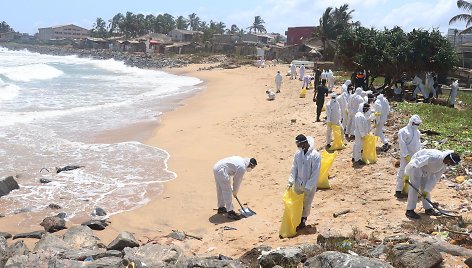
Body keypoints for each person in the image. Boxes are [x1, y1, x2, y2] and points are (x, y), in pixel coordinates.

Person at [405, 149, 461, 219]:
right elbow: (414, 163)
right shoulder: (433, 157)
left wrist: (427, 190)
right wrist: (407, 174)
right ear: (449, 159)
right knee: (414, 188)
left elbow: (435, 178)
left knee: (425, 189)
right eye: (450, 163)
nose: (449, 165)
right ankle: (410, 210)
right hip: (416, 168)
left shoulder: (444, 164)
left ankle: (428, 208)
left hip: (427, 171)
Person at [287, 134, 321, 230]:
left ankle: (303, 221)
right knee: (297, 203)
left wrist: (308, 186)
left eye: (298, 145)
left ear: (304, 143)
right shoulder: (298, 154)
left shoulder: (315, 156)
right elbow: (294, 167)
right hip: (299, 183)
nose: (298, 147)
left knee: (306, 203)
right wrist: (291, 180)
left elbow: (315, 173)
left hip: (309, 185)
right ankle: (296, 220)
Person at [395, 115, 422, 198]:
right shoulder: (403, 131)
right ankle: (398, 190)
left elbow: (418, 143)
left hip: (415, 156)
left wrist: (419, 154)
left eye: (418, 124)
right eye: (416, 124)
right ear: (412, 123)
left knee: (413, 173)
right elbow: (402, 144)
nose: (417, 126)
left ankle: (409, 190)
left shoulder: (417, 132)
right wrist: (406, 155)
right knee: (403, 171)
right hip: (405, 155)